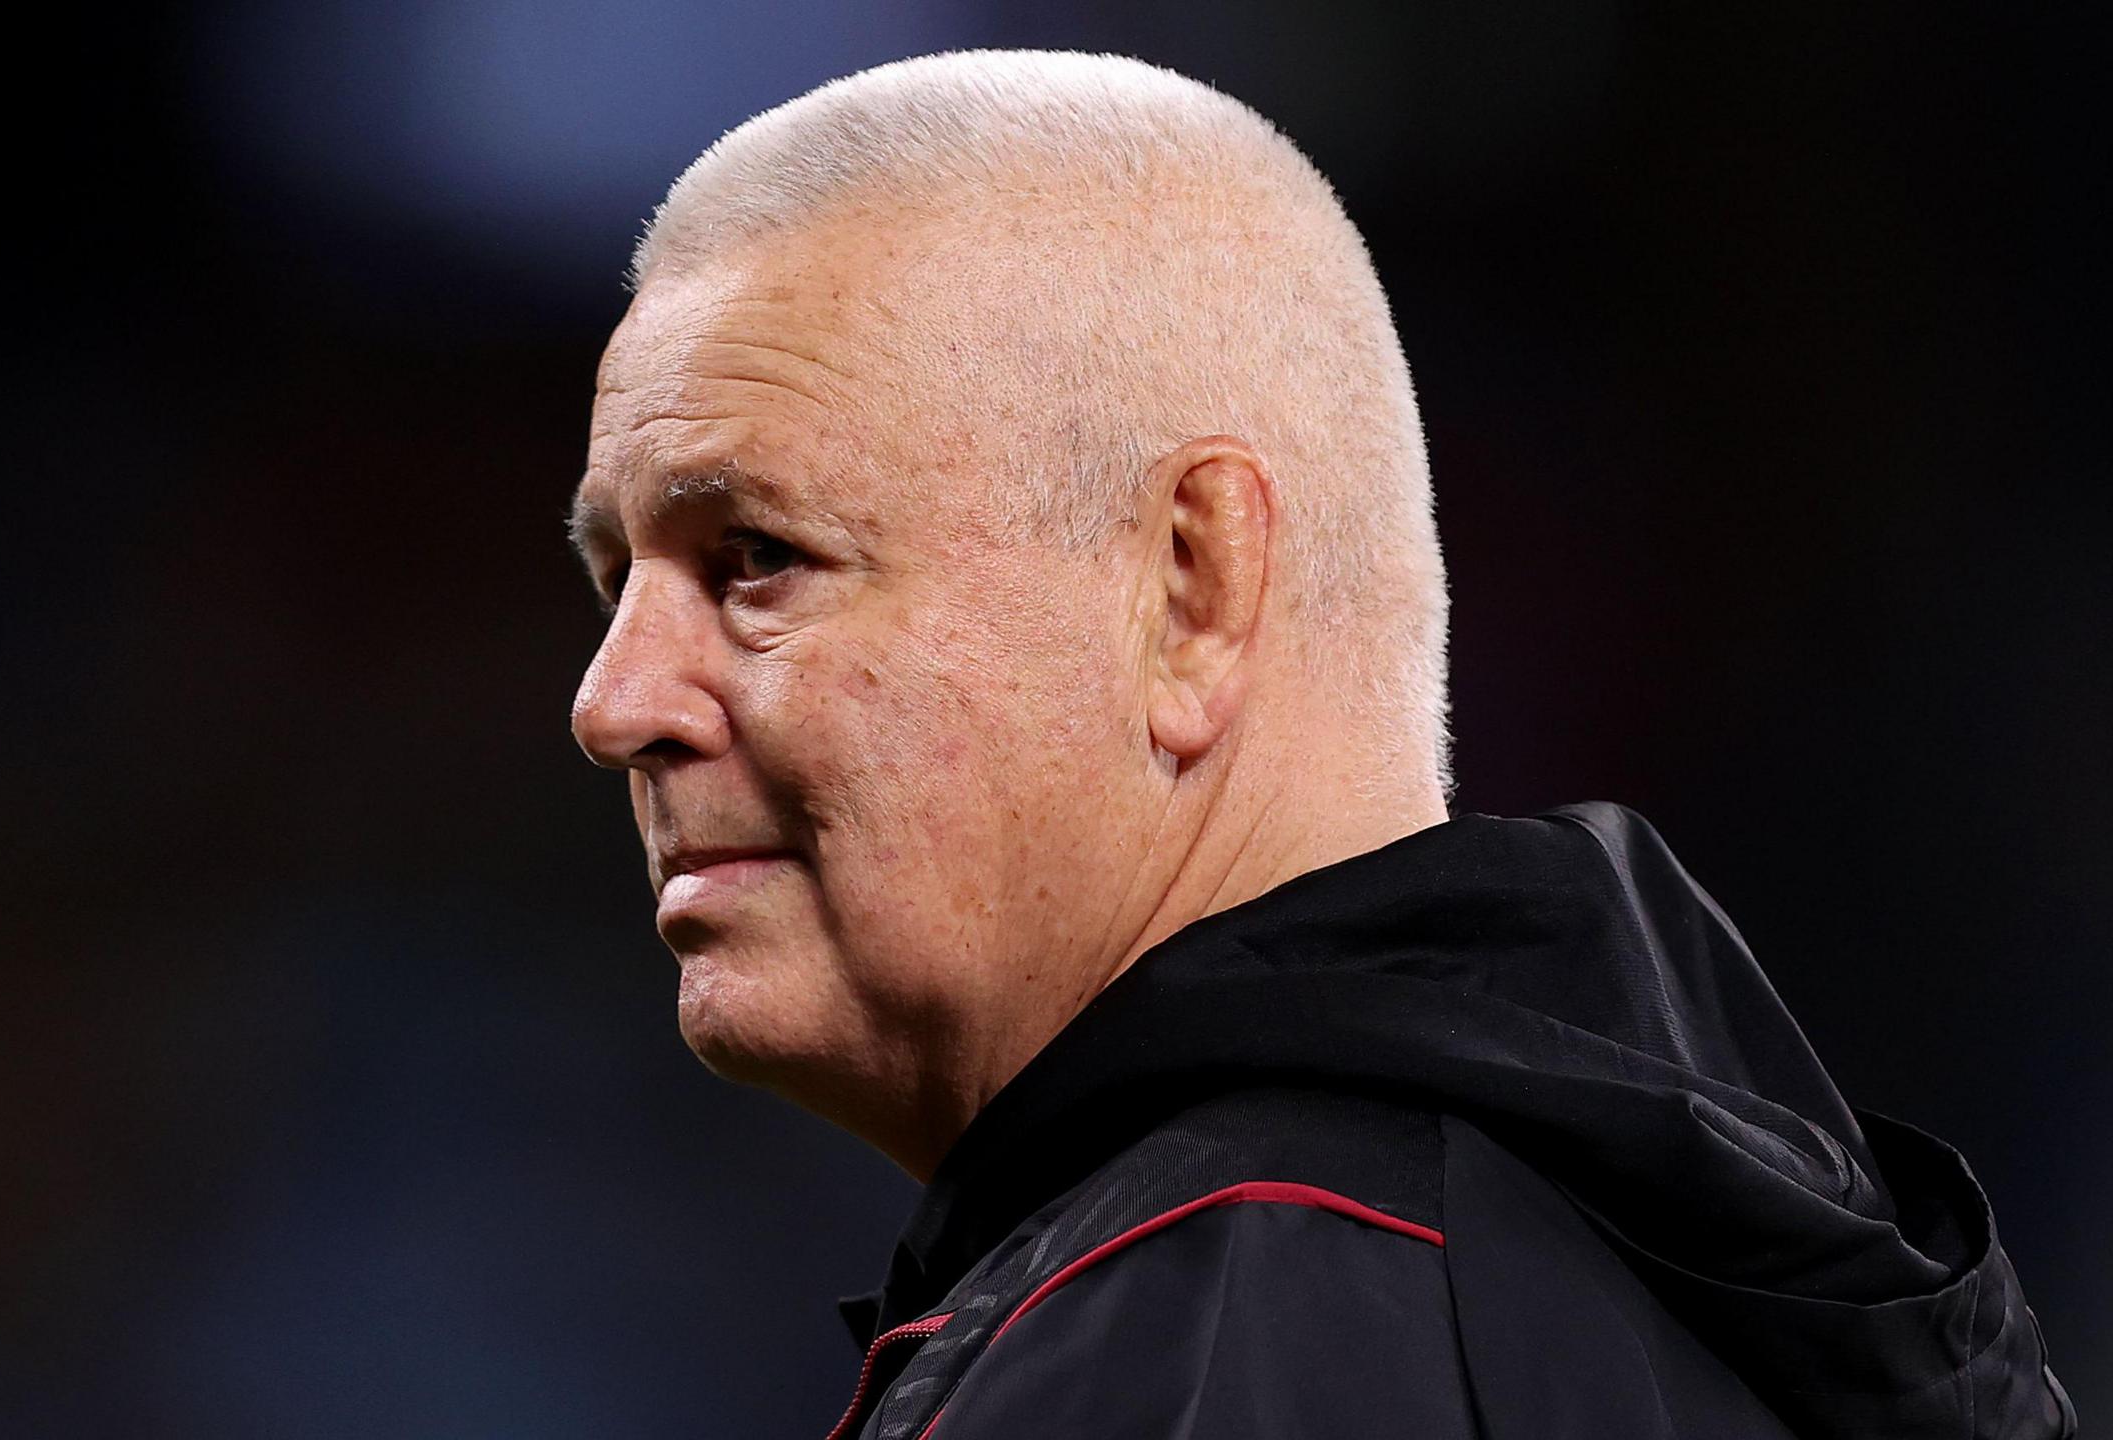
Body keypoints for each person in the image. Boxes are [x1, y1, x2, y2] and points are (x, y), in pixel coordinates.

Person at [565, 49, 2075, 1439]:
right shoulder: (1632, 1281)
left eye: (757, 555)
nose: (612, 703)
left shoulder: (1218, 1326)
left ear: (1191, 588)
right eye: (614, 578)